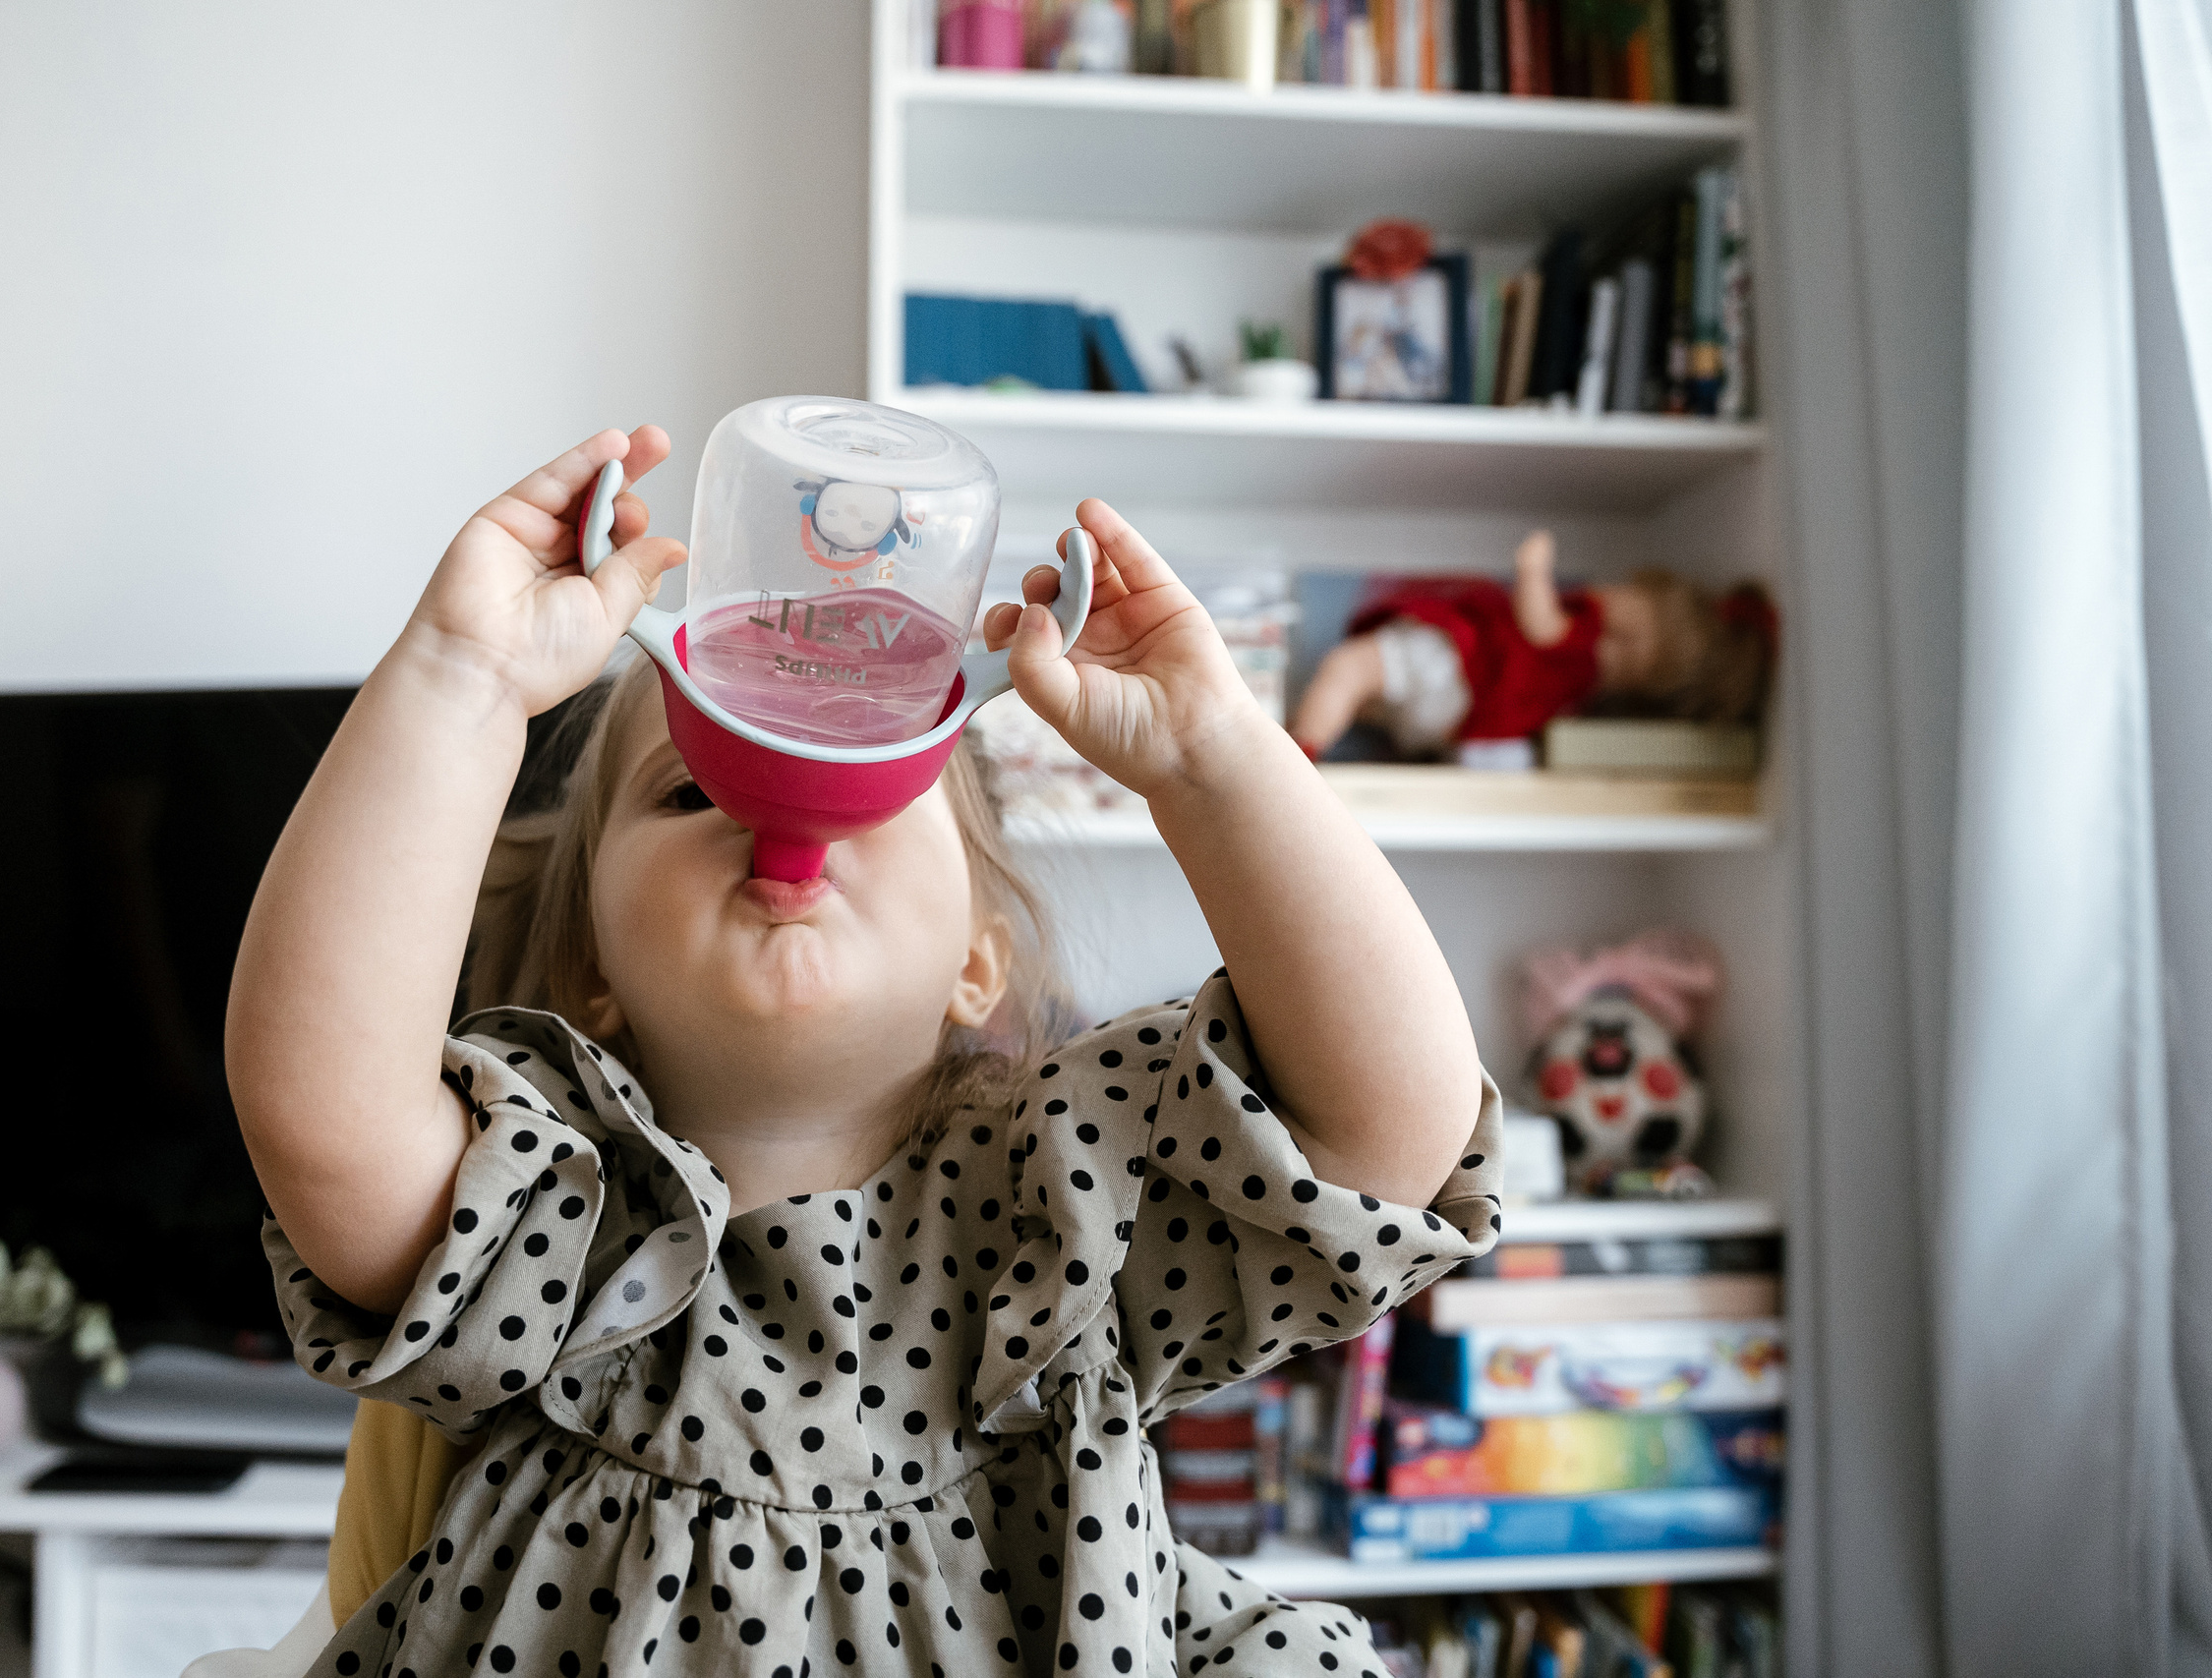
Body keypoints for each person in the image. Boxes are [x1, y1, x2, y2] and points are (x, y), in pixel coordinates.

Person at [225, 426, 1503, 1678]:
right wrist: (459, 676)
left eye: (869, 788)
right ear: (590, 972)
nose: (776, 806)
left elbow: (1382, 1139)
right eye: (690, 788)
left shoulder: (1064, 1201)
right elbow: (321, 1116)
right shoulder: (558, 1200)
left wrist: (1211, 759)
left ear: (978, 963)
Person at [1286, 528, 1777, 761]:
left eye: (1633, 590)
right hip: (1455, 714)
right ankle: (1307, 741)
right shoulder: (1582, 689)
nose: (1612, 588)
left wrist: (1533, 566)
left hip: (1455, 667)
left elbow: (1540, 625)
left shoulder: (1581, 641)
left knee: (1345, 670)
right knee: (1363, 702)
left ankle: (1292, 762)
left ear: (1634, 635)